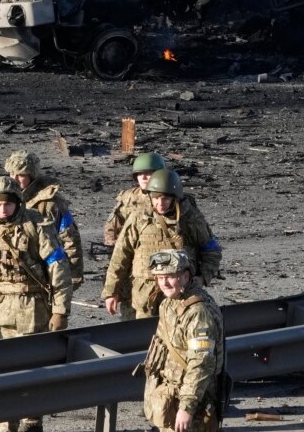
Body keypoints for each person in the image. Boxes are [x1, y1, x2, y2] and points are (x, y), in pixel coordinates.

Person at [0, 176, 72, 432]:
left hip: (33, 309)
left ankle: (32, 422)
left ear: (17, 203)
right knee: (7, 371)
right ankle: (7, 423)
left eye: (8, 204)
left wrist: (60, 310)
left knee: (32, 371)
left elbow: (59, 267)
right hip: (2, 311)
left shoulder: (36, 226)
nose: (3, 210)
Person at [102, 169, 221, 320]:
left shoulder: (190, 219)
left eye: (165, 199)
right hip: (143, 294)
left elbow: (212, 251)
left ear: (174, 198)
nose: (160, 203)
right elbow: (120, 256)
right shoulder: (139, 218)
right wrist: (111, 291)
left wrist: (202, 278)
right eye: (155, 198)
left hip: (180, 291)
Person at [141, 249, 226, 432]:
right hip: (171, 396)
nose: (164, 282)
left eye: (170, 276)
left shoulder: (198, 312)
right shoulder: (168, 304)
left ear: (186, 276)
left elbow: (201, 363)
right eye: (159, 277)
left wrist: (186, 408)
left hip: (195, 402)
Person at [4, 150, 84, 289]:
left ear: (32, 176)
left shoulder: (51, 204)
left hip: (44, 275)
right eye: (11, 174)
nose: (14, 178)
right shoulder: (6, 200)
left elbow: (70, 239)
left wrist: (73, 277)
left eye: (21, 175)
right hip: (12, 277)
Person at [104, 151, 166, 246]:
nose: (143, 177)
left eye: (148, 173)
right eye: (140, 174)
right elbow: (113, 225)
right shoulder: (128, 197)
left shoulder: (174, 198)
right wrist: (113, 246)